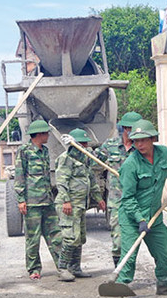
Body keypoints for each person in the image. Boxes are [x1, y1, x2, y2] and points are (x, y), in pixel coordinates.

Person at [116, 119, 167, 295]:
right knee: (128, 259)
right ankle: (119, 290)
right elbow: (127, 199)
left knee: (166, 255)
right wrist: (140, 220)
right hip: (132, 219)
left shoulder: (163, 153)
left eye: (143, 140)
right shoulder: (131, 165)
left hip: (154, 216)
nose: (139, 144)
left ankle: (164, 288)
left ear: (153, 138)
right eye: (136, 140)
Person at [54, 128, 106, 281]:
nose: (86, 146)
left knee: (80, 237)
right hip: (69, 204)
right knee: (70, 237)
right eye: (82, 144)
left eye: (86, 144)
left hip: (80, 204)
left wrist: (98, 198)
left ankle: (75, 267)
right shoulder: (65, 159)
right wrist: (66, 201)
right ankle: (62, 268)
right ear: (75, 144)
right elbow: (61, 181)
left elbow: (91, 179)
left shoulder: (85, 159)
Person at [14, 120, 62, 280]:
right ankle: (34, 269)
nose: (48, 135)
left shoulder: (45, 151)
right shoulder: (24, 151)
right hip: (32, 202)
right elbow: (20, 176)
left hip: (47, 201)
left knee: (55, 234)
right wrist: (21, 199)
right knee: (33, 238)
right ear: (39, 134)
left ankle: (62, 266)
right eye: (46, 133)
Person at [95, 111, 141, 267]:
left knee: (136, 239)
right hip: (117, 201)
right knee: (119, 240)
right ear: (125, 129)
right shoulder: (110, 145)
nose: (131, 132)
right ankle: (119, 271)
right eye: (129, 128)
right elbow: (93, 162)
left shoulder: (142, 148)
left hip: (137, 200)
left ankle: (129, 268)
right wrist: (76, 148)